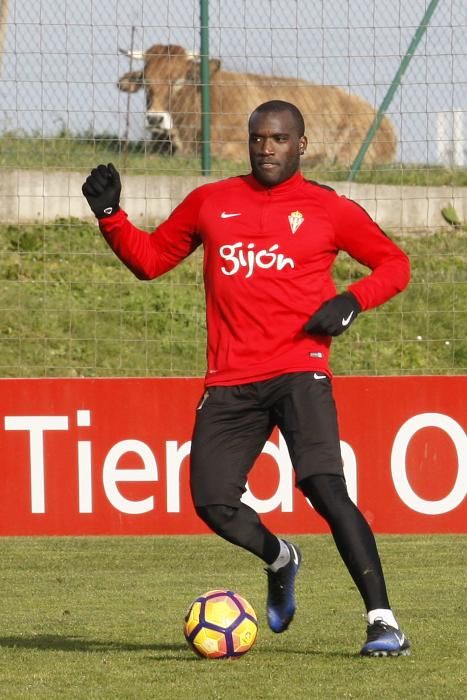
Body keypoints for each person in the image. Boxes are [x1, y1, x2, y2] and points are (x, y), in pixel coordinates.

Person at [82, 100, 411, 657]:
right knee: (211, 501)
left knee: (326, 489)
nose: (266, 148)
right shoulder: (213, 201)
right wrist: (111, 216)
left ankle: (383, 621)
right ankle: (281, 557)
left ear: (300, 145)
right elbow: (152, 260)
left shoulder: (327, 208)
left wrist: (351, 301)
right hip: (231, 380)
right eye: (257, 138)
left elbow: (394, 265)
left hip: (299, 372)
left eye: (279, 139)